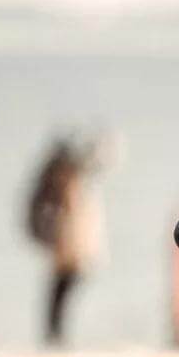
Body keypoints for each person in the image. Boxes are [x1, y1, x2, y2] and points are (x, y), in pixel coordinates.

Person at [26, 133, 107, 344]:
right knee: (62, 286)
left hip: (71, 240)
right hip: (68, 240)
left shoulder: (68, 176)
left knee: (63, 287)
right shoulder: (63, 178)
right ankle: (55, 334)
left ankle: (55, 334)